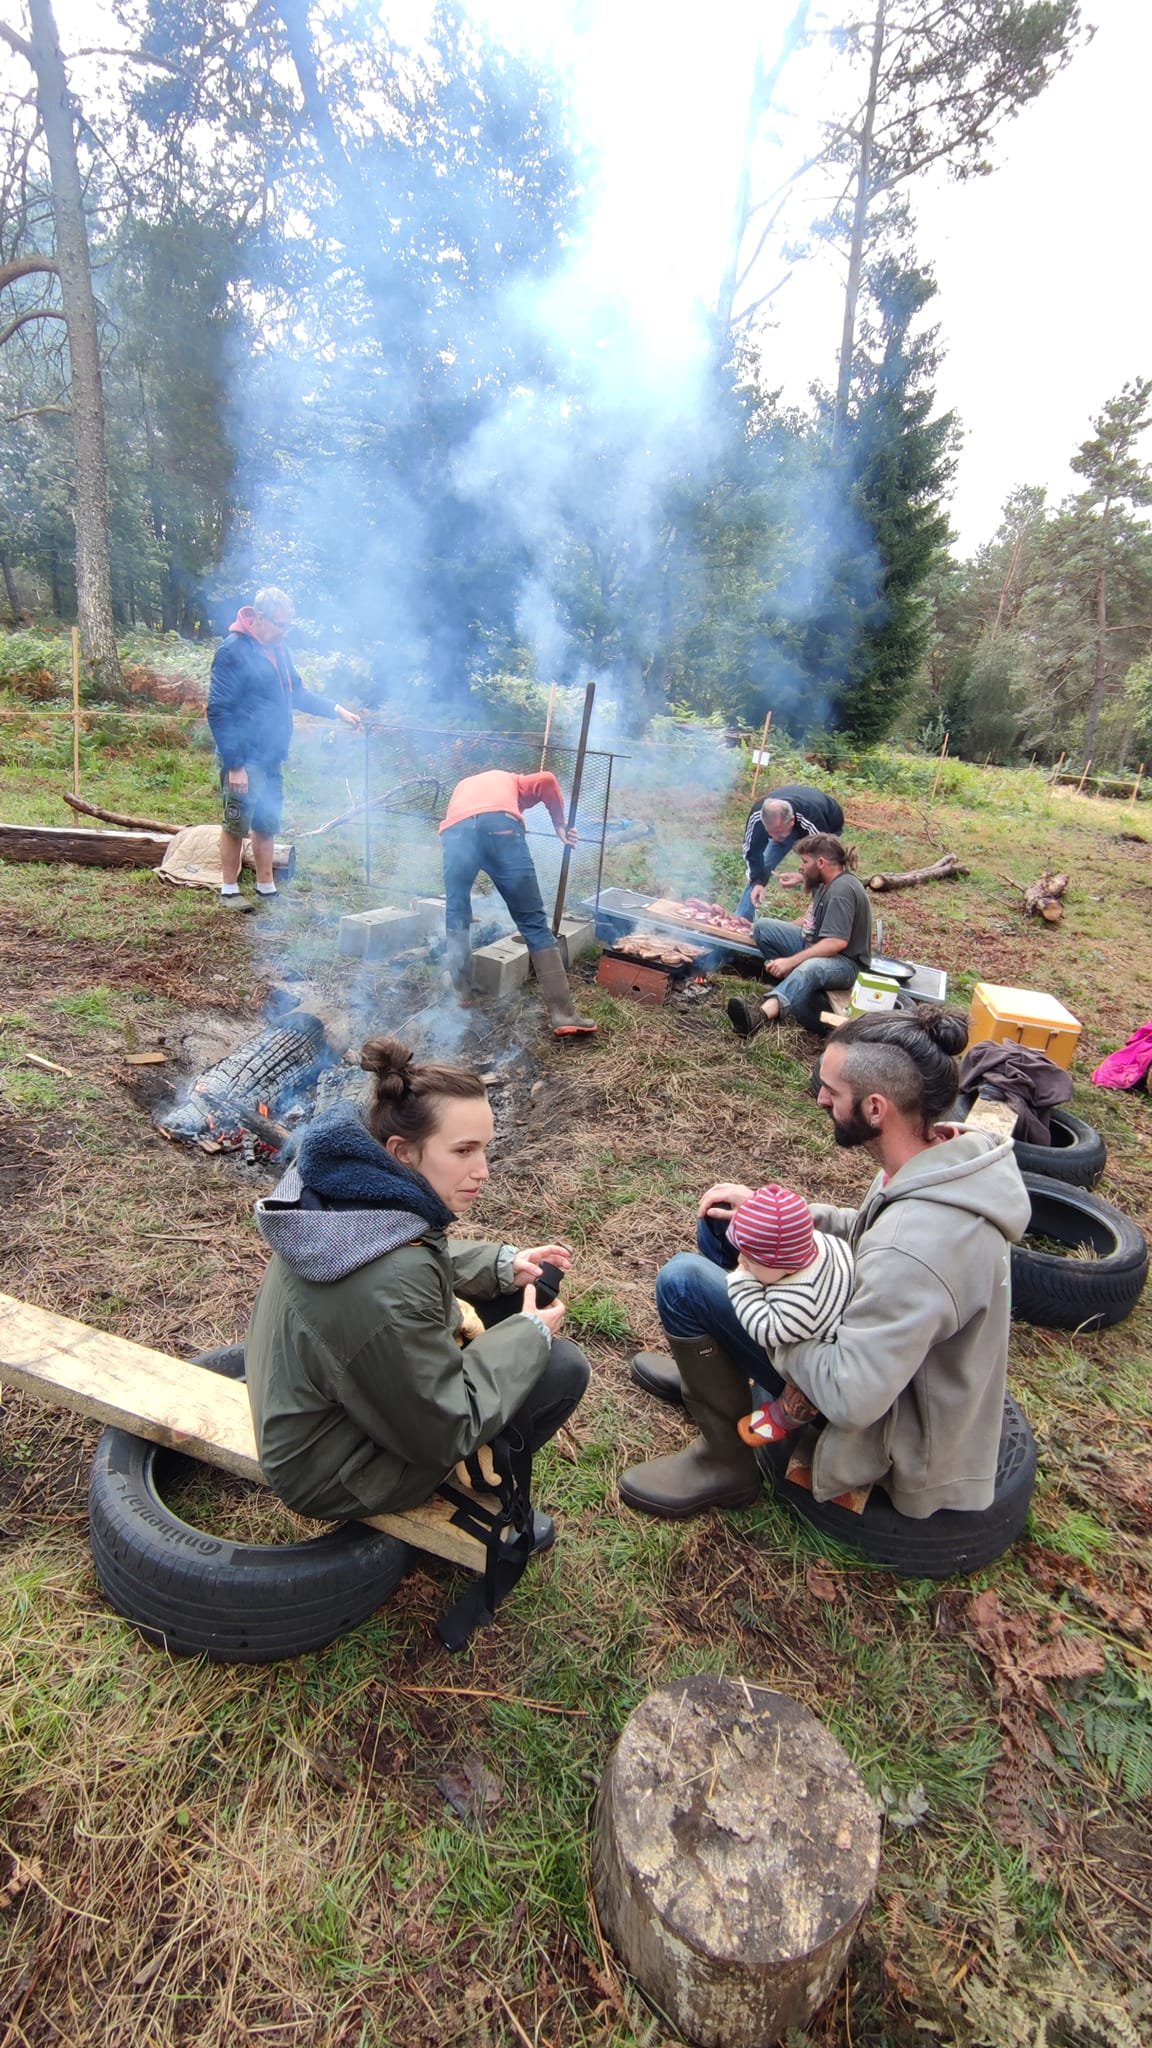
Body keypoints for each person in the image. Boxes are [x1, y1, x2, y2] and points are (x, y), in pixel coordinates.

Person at [619, 1006, 1030, 1523]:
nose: (820, 1098)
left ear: (875, 1108)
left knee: (682, 1281)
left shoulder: (917, 1250)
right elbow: (869, 1231)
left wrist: (753, 1290)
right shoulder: (935, 1156)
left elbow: (850, 1398)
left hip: (889, 1425)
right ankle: (715, 1378)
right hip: (877, 1352)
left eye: (832, 1091)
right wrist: (782, 1219)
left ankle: (726, 1463)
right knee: (727, 1229)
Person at [245, 1037, 590, 1530]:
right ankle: (475, 1474)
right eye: (463, 1151)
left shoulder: (344, 1191)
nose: (483, 1171)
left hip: (313, 1404)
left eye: (485, 1148)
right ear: (402, 1152)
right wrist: (529, 1335)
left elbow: (406, 1251)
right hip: (328, 1471)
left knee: (530, 1284)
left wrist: (501, 1263)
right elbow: (447, 1426)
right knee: (558, 1367)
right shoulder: (391, 1288)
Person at [207, 586, 362, 910]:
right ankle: (229, 889)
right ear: (259, 618)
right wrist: (234, 764)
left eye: (289, 624)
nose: (286, 631)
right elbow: (218, 710)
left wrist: (336, 710)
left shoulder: (279, 649)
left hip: (272, 755)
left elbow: (299, 693)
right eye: (281, 624)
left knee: (266, 820)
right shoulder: (232, 651)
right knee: (236, 824)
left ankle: (266, 886)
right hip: (244, 756)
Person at [439, 767, 596, 1037]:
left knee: (456, 910)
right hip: (500, 829)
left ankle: (462, 990)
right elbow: (546, 780)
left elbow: (467, 816)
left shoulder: (465, 783)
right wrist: (560, 825)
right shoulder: (515, 780)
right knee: (533, 921)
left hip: (455, 833)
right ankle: (563, 1014)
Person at [722, 1182, 854, 1446]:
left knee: (802, 1398)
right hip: (831, 1314)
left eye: (751, 1260)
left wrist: (741, 1283)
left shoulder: (803, 1300)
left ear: (781, 1265)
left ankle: (784, 1421)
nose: (741, 1261)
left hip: (820, 1369)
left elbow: (766, 1329)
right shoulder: (817, 1243)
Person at [727, 834, 872, 1039]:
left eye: (804, 862)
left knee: (809, 967)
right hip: (817, 946)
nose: (801, 868)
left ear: (821, 862)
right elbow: (811, 920)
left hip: (846, 963)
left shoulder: (842, 890)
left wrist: (791, 961)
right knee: (763, 928)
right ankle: (795, 988)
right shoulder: (825, 883)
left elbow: (837, 942)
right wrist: (777, 931)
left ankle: (759, 1015)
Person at [738, 783, 845, 916]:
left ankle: (819, 922)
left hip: (828, 822)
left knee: (820, 876)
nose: (776, 838)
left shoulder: (813, 820)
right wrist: (757, 882)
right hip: (796, 820)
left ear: (792, 821)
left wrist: (803, 876)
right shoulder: (759, 816)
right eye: (770, 833)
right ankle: (741, 920)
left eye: (779, 831)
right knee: (762, 868)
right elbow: (751, 851)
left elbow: (825, 860)